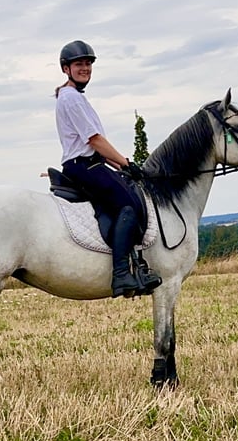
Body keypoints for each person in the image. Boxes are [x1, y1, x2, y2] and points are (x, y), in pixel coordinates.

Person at [54, 40, 161, 298]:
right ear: (66, 68)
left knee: (129, 194)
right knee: (130, 205)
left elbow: (98, 146)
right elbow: (94, 141)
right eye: (79, 64)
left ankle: (135, 265)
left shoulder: (74, 97)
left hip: (92, 163)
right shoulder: (71, 99)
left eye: (88, 64)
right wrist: (125, 163)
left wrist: (124, 164)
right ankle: (122, 274)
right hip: (84, 166)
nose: (85, 68)